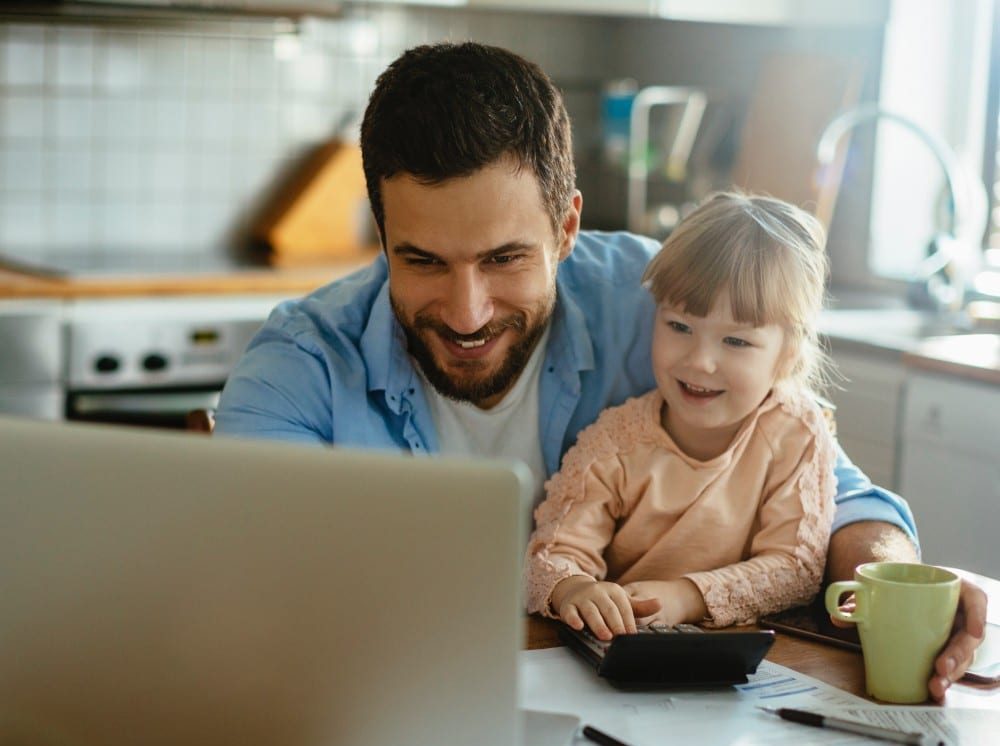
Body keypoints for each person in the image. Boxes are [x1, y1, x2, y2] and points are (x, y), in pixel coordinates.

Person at [214, 41, 986, 699]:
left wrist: (896, 582)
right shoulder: (302, 363)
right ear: (381, 237)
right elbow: (240, 575)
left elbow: (835, 494)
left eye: (504, 259)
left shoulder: (666, 309)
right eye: (422, 261)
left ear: (567, 228)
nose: (467, 312)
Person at [524, 191, 838, 635]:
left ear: (788, 355)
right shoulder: (614, 443)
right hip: (627, 649)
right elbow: (549, 557)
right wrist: (573, 588)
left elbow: (797, 568)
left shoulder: (797, 434)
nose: (700, 361)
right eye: (679, 326)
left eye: (736, 341)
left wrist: (688, 597)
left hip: (748, 656)